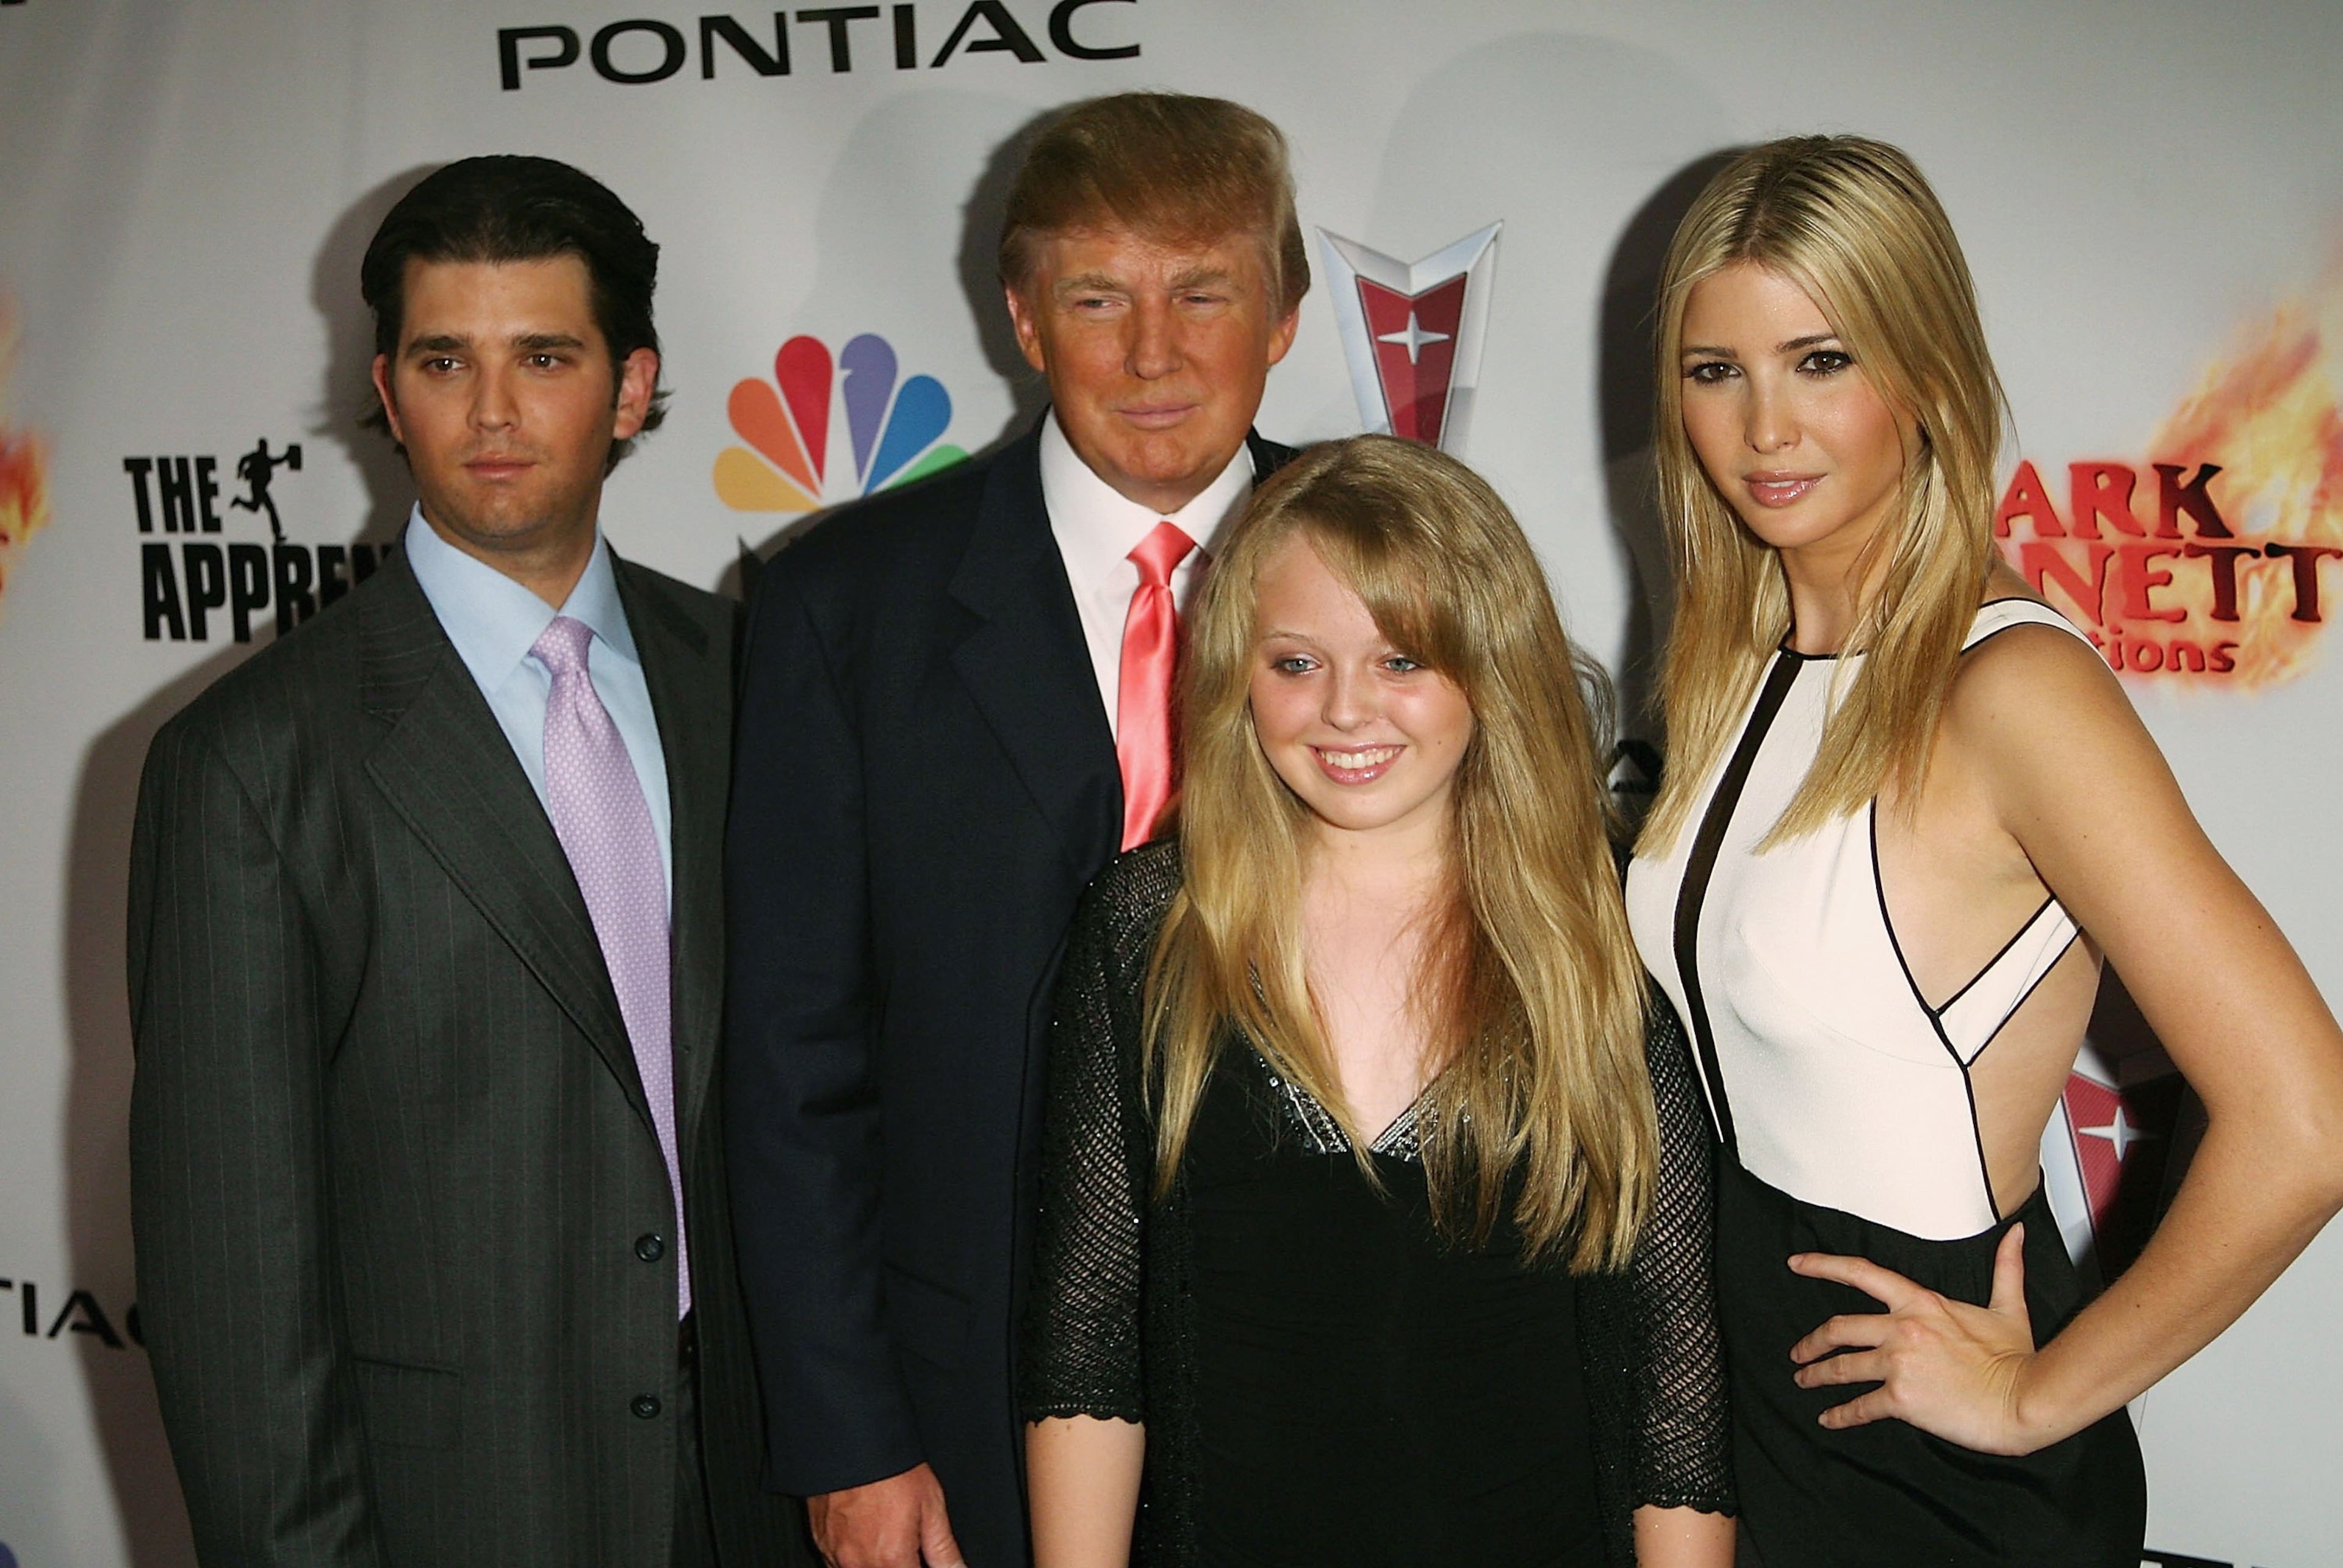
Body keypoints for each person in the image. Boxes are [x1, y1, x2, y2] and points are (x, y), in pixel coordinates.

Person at [1624, 135, 2343, 1566]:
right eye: (1719, 372)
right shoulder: (1729, 656)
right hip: (1750, 1396)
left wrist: (2035, 1396)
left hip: (1933, 1451)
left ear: (1929, 371)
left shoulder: (2011, 689)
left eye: (1821, 361)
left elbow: (2307, 1121)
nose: (1766, 427)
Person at [128, 156, 806, 1568]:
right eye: (446, 360)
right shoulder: (249, 764)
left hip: (767, 1487)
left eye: (544, 356)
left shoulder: (753, 680)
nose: (491, 411)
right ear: (388, 391)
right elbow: (233, 1287)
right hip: (463, 1514)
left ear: (629, 387)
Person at [724, 93, 1303, 1568]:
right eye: (1099, 298)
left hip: (1340, 1378)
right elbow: (794, 1057)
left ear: (1286, 314)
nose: (1154, 352)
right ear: (1025, 320)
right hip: (968, 1404)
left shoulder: (1421, 580)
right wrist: (851, 1434)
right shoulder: (843, 609)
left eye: (1204, 293)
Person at [1021, 435, 1738, 1568]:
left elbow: (1675, 1395)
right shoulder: (1154, 928)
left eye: (1402, 658)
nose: (1346, 710)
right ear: (1233, 674)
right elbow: (1088, 1347)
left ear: (1490, 667)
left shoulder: (1606, 937)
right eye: (1296, 662)